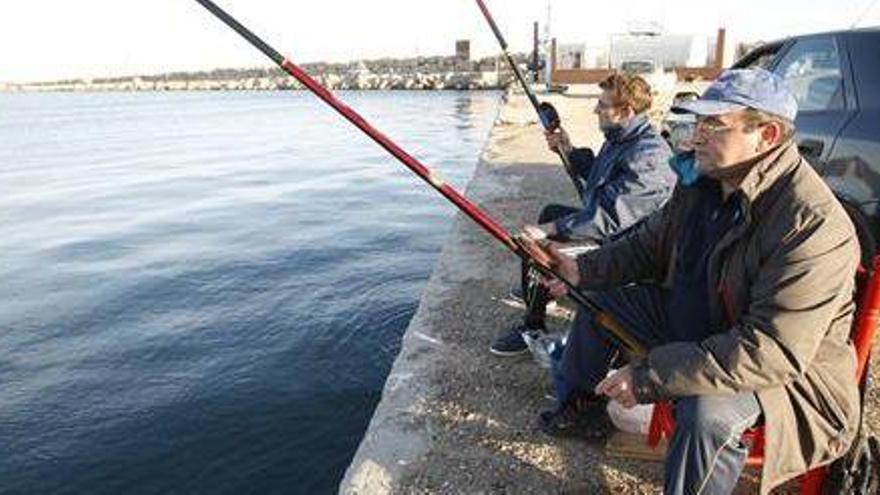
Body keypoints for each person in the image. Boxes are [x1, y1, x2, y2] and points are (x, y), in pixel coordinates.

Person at [537, 68, 861, 494]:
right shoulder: (706, 181)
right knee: (604, 301)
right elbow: (648, 245)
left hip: (785, 378)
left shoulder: (813, 224)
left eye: (713, 124)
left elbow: (770, 352)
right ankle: (581, 405)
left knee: (708, 413)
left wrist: (648, 376)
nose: (696, 136)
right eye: (697, 122)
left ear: (766, 135)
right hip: (706, 322)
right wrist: (581, 269)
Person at [490, 73, 676, 356]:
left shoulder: (650, 156)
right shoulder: (621, 136)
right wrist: (567, 148)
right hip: (613, 230)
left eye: (602, 105)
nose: (595, 110)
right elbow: (600, 178)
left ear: (625, 111)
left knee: (541, 243)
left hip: (629, 247)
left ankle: (534, 325)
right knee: (549, 215)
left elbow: (609, 217)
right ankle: (537, 290)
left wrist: (549, 230)